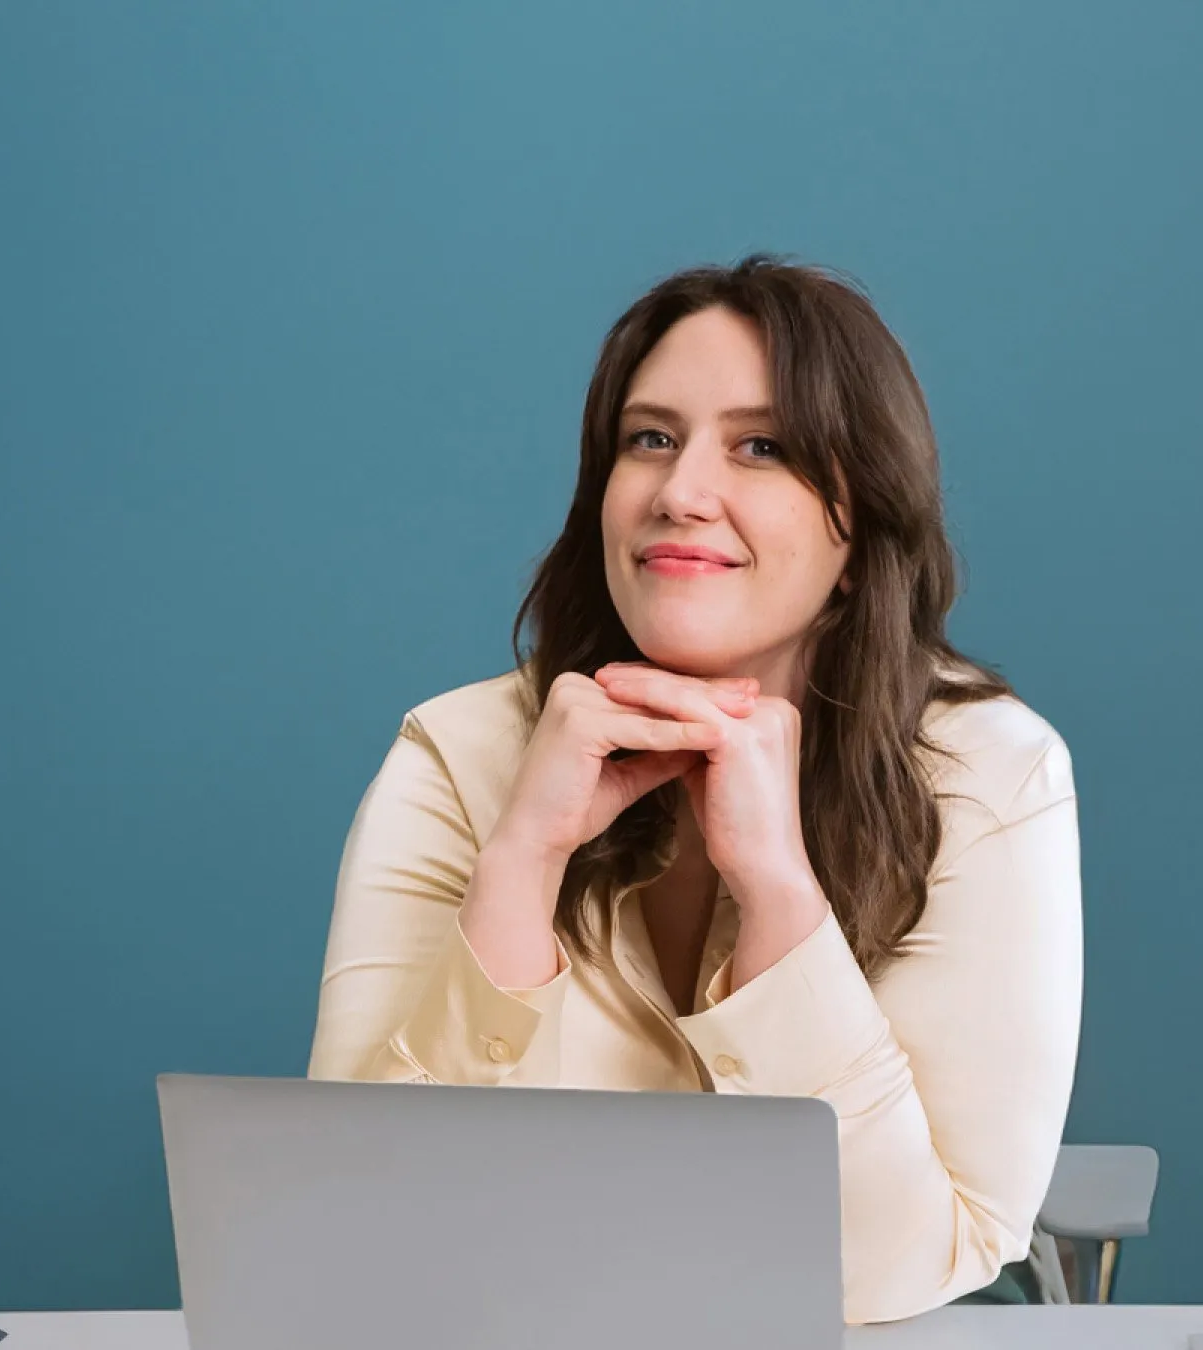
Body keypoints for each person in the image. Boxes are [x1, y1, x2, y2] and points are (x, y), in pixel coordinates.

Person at [307, 256, 1082, 1325]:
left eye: (761, 446)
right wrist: (520, 865)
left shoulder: (991, 772)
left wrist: (778, 896)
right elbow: (347, 1239)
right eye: (650, 439)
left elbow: (908, 1262)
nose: (681, 492)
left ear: (860, 534)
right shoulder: (456, 753)